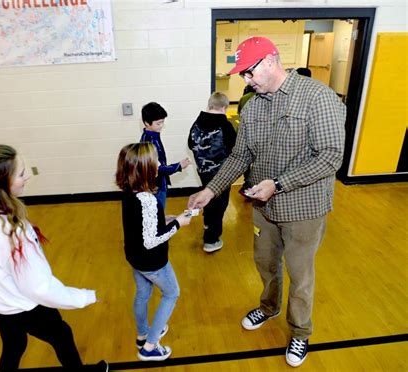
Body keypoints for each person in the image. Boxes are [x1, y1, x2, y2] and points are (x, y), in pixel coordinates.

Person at [187, 36, 346, 367]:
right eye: (242, 74)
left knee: (300, 276)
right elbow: (240, 155)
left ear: (270, 62)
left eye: (248, 73)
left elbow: (331, 156)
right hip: (264, 207)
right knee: (265, 263)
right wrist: (211, 190)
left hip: (304, 209)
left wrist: (279, 183)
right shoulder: (254, 105)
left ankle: (300, 333)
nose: (244, 80)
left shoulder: (317, 97)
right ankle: (269, 307)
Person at [0, 144, 108, 372]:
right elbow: (39, 287)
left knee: (15, 343)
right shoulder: (10, 231)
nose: (27, 175)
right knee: (61, 334)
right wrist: (85, 297)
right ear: (1, 182)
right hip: (19, 305)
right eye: (20, 174)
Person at [115, 142, 192, 362]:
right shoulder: (148, 200)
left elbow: (143, 226)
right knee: (171, 294)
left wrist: (166, 219)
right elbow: (151, 240)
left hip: (134, 257)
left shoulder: (129, 192)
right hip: (152, 261)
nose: (160, 164)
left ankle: (142, 335)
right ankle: (149, 347)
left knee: (142, 294)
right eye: (156, 161)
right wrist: (178, 224)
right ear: (145, 168)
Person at [188, 92, 236, 253]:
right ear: (224, 107)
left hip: (203, 171)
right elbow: (235, 149)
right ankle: (211, 240)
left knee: (207, 197)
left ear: (210, 105)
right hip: (222, 175)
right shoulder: (226, 125)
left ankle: (207, 223)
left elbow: (190, 143)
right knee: (220, 205)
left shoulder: (197, 122)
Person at [140, 102, 191, 210]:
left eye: (163, 122)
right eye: (158, 123)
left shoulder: (152, 136)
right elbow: (156, 168)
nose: (161, 126)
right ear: (147, 123)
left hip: (159, 182)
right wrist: (178, 166)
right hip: (155, 185)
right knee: (158, 214)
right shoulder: (148, 142)